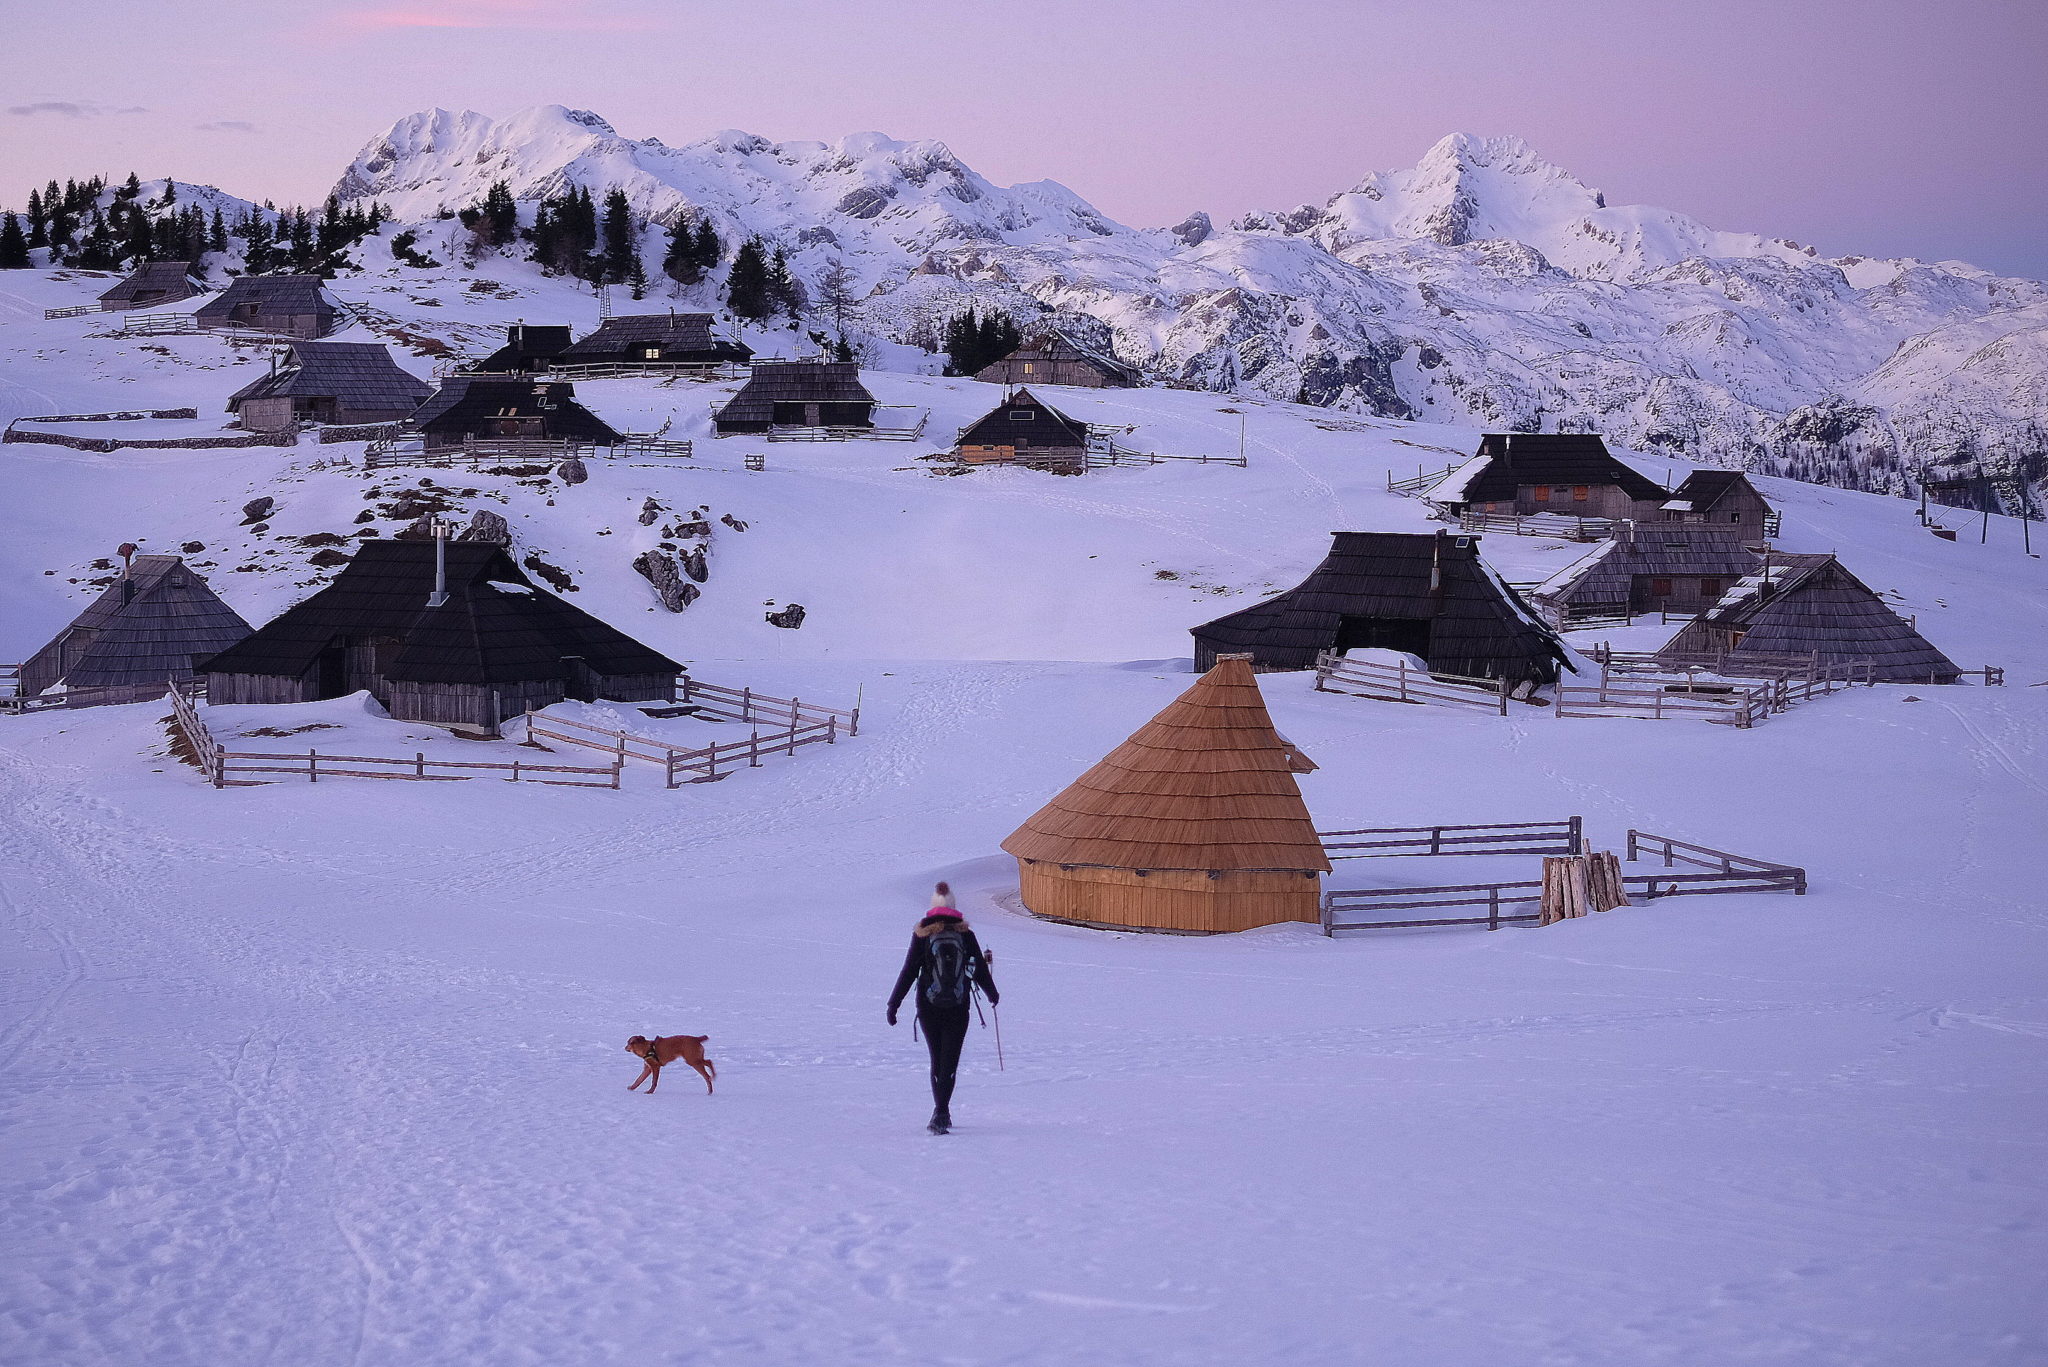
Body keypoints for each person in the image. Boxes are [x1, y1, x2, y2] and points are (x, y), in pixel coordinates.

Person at [887, 881, 998, 1134]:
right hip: (959, 1007)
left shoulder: (923, 934)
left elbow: (909, 972)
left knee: (936, 1059)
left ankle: (940, 1112)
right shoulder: (966, 935)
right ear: (955, 907)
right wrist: (992, 993)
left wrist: (894, 1004)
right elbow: (978, 968)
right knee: (950, 1061)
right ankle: (942, 1111)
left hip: (928, 1006)